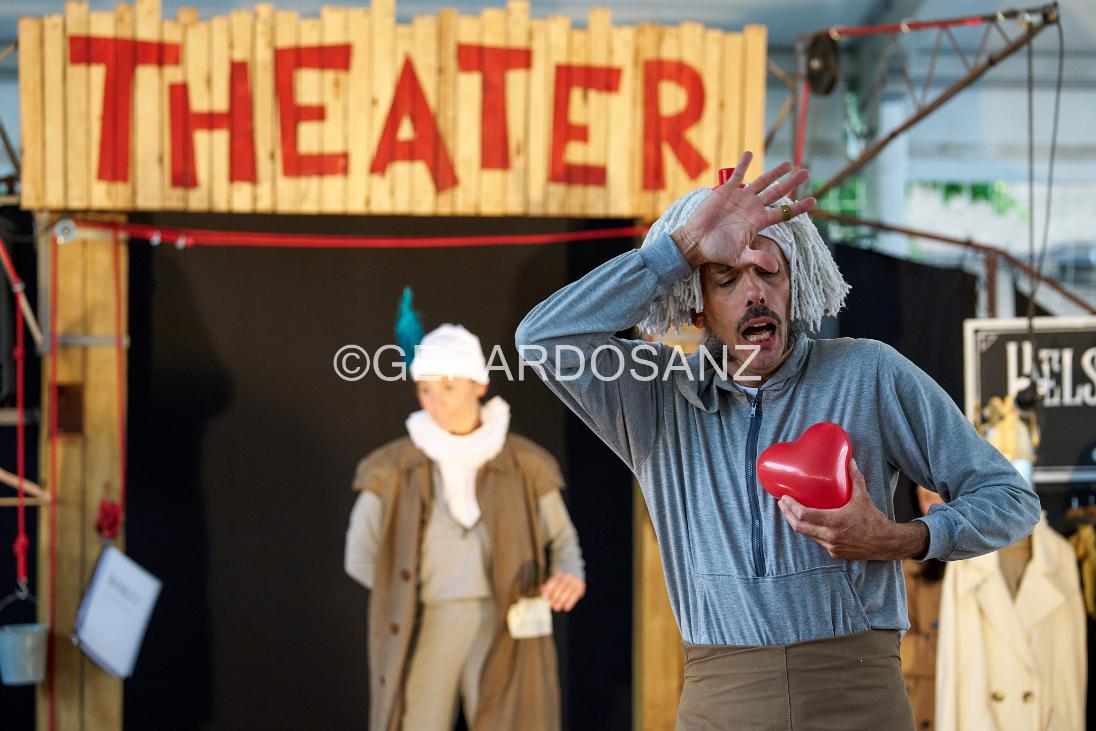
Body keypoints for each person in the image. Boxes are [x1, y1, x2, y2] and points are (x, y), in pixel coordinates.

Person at [515, 152, 1040, 730]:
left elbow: (1012, 500)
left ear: (795, 285)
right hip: (720, 703)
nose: (755, 293)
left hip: (859, 696)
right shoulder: (656, 398)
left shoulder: (868, 373)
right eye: (726, 278)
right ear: (698, 308)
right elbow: (542, 338)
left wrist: (899, 538)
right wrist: (680, 251)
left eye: (770, 272)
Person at [344, 324, 586, 731]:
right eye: (425, 389)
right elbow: (360, 554)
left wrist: (569, 573)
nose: (435, 401)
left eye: (448, 387)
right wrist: (400, 594)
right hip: (430, 618)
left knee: (509, 720)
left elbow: (561, 538)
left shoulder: (524, 462)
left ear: (479, 384)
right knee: (417, 720)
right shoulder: (391, 467)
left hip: (505, 619)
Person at [902, 484, 947, 731]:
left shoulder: (987, 564)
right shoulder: (909, 568)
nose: (935, 507)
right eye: (927, 497)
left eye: (943, 497)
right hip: (926, 703)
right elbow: (900, 648)